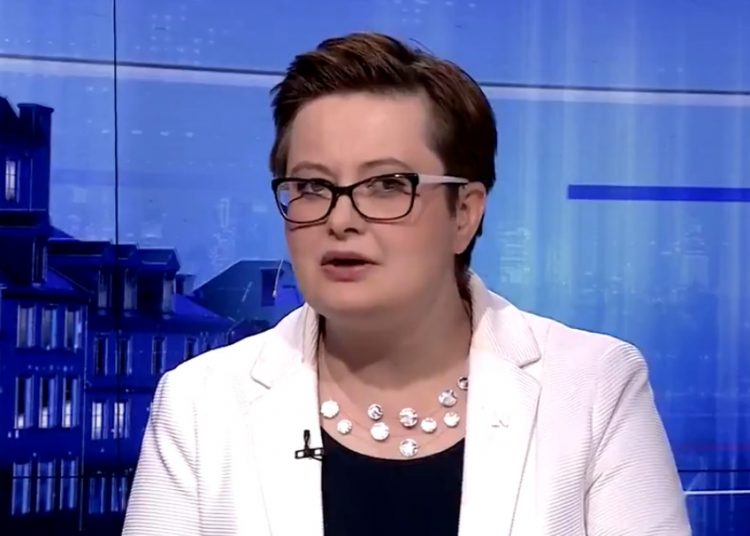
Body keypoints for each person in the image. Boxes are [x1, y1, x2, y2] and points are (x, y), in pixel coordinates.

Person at [122, 32, 691, 535]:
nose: (340, 219)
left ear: (464, 213)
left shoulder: (592, 389)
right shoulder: (201, 404)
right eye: (313, 188)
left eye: (387, 185)